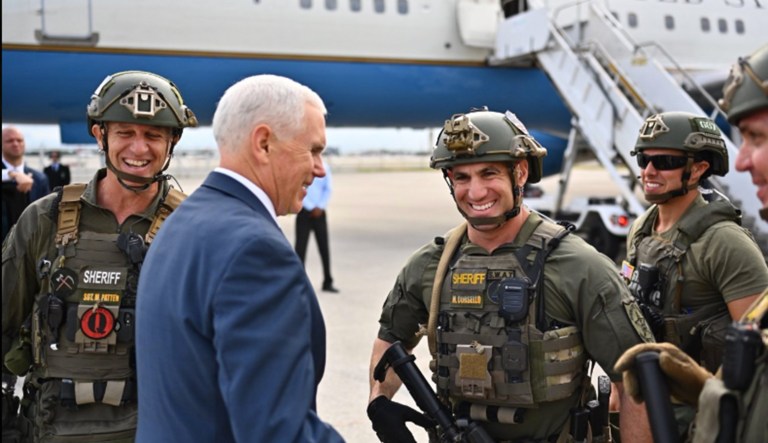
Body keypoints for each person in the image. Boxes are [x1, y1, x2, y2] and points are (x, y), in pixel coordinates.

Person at [367, 109, 654, 443]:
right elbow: (390, 340)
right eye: (461, 178)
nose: (475, 193)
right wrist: (379, 402)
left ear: (519, 173)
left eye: (489, 173)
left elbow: (637, 380)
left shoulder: (579, 266)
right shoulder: (430, 265)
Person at [135, 74, 345, 443]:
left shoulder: (183, 221)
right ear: (264, 143)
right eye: (312, 150)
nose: (320, 168)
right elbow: (278, 430)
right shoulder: (256, 252)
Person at [1, 70, 198, 442]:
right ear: (100, 134)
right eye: (125, 133)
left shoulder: (192, 228)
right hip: (49, 428)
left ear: (172, 140)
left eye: (154, 135)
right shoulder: (44, 219)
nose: (139, 149)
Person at [615, 44, 768, 443]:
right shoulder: (643, 230)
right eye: (643, 159)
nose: (649, 171)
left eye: (664, 162)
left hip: (704, 418)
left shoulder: (725, 244)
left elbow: (758, 357)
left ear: (698, 169)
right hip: (647, 401)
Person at [295, 157, 339, 293]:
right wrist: (309, 206)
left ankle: (328, 281)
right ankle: (297, 283)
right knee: (300, 249)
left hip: (319, 212)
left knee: (324, 248)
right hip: (304, 211)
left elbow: (328, 189)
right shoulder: (301, 166)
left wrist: (319, 206)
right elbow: (298, 187)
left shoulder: (324, 167)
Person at [2, 126, 50, 242]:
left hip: (29, 245)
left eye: (19, 140)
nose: (15, 144)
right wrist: (12, 174)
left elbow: (47, 215)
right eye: (9, 141)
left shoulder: (39, 178)